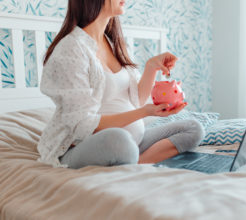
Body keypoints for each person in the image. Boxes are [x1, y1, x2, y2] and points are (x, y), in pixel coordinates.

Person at [36, 0, 205, 169]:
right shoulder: (71, 49)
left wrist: (151, 67)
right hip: (86, 146)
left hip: (132, 141)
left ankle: (135, 162)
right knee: (119, 141)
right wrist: (144, 112)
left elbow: (136, 100)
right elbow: (81, 124)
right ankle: (132, 158)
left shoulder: (111, 42)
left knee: (194, 128)